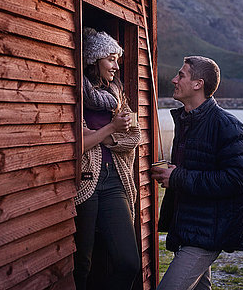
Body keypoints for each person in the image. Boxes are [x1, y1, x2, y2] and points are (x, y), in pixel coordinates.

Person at [151, 56, 243, 290]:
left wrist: (177, 177)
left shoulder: (228, 126)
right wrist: (172, 175)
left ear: (198, 84)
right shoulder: (187, 122)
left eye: (181, 75)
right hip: (190, 227)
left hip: (208, 231)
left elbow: (237, 179)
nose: (174, 79)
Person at [73, 27, 141, 290]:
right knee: (82, 266)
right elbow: (78, 145)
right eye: (110, 59)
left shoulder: (116, 94)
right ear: (94, 59)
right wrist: (111, 129)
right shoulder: (78, 94)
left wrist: (101, 136)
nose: (115, 66)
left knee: (128, 263)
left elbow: (134, 137)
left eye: (117, 59)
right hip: (86, 185)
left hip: (115, 183)